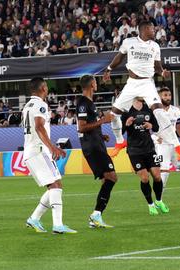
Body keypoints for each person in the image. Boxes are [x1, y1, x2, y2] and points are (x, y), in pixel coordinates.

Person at [103, 21, 180, 161]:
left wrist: (163, 72)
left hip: (147, 83)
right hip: (132, 83)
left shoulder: (155, 46)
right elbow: (119, 57)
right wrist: (109, 69)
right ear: (145, 29)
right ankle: (120, 141)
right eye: (152, 29)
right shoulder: (129, 42)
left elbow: (157, 66)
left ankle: (177, 146)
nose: (155, 31)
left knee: (160, 113)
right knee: (114, 114)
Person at [22, 77, 76, 234]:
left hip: (32, 151)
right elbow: (39, 127)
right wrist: (52, 147)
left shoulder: (27, 106)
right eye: (46, 86)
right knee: (55, 185)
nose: (47, 89)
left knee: (55, 184)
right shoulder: (40, 104)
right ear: (43, 88)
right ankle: (58, 225)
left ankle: (34, 219)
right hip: (39, 151)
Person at [76, 75, 117, 228]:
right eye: (95, 81)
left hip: (97, 143)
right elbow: (81, 127)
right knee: (112, 177)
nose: (97, 84)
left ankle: (96, 217)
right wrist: (103, 121)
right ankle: (96, 215)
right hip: (93, 147)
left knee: (107, 179)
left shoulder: (90, 103)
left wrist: (101, 134)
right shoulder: (83, 102)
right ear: (92, 84)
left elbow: (90, 126)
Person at [121, 98, 169, 215]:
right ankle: (150, 205)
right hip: (134, 151)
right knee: (145, 178)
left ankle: (158, 201)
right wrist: (126, 124)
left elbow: (156, 128)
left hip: (150, 149)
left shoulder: (148, 109)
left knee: (157, 176)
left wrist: (150, 125)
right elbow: (120, 131)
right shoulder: (126, 110)